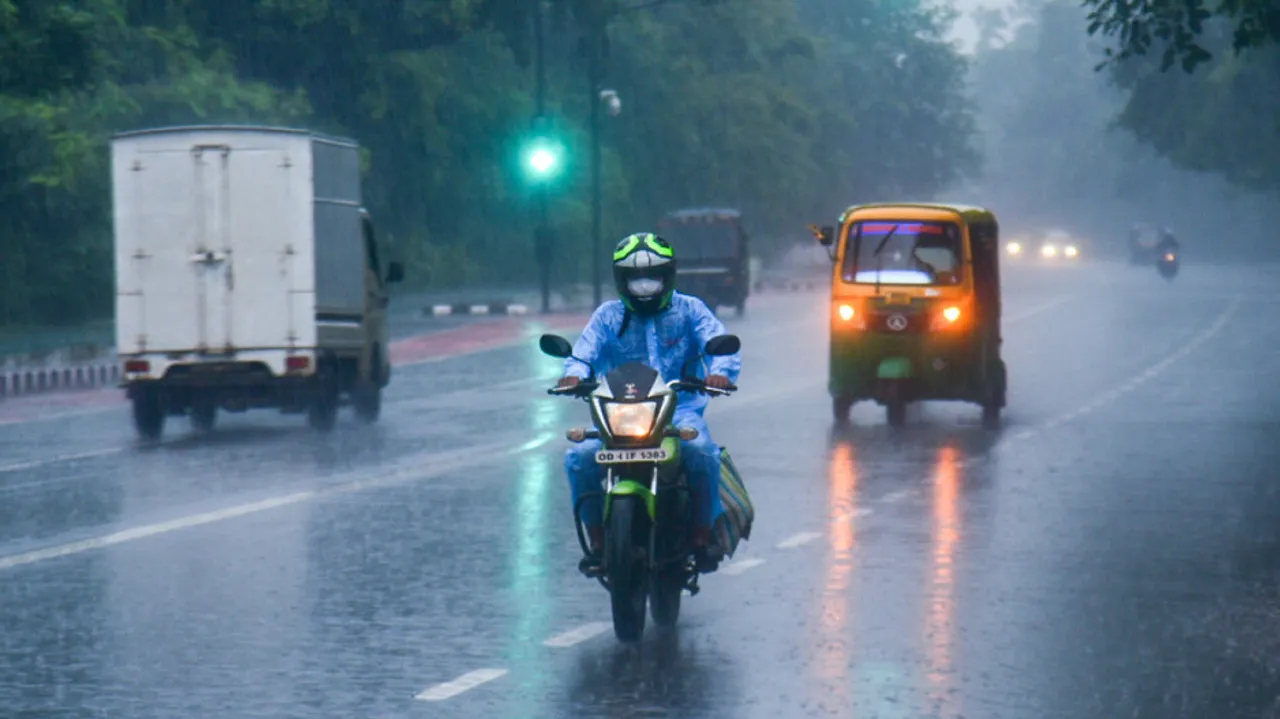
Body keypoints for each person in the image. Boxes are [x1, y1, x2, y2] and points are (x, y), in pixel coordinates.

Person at [558, 232, 742, 576]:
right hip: (620, 413)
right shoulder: (606, 317)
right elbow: (583, 353)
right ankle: (598, 541)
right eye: (635, 279)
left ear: (668, 276)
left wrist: (719, 372)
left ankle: (702, 537)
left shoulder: (690, 310)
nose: (644, 287)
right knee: (579, 458)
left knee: (702, 452)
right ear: (621, 280)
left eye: (652, 278)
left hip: (680, 410)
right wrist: (573, 375)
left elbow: (715, 340)